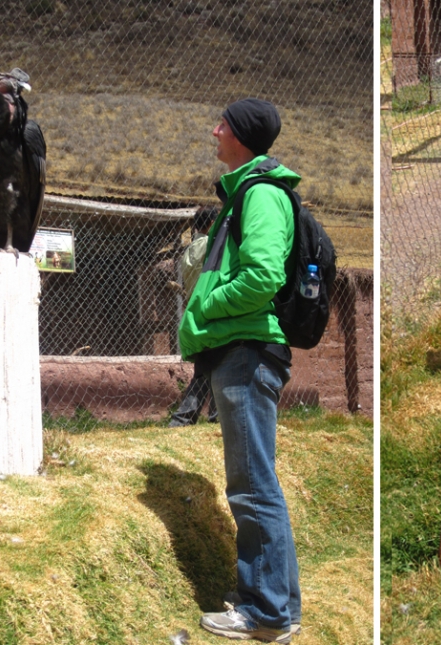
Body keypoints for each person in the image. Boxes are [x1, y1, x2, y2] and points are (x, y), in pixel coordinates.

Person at [178, 98, 300, 644]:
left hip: (246, 351)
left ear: (243, 137)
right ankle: (281, 608)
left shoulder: (261, 194)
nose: (214, 131)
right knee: (259, 483)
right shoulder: (247, 192)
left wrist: (206, 305)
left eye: (222, 125)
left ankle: (263, 613)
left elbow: (263, 276)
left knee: (251, 487)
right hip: (241, 348)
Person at [169, 206, 220, 427]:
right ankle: (214, 415)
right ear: (211, 224)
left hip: (195, 312)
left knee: (206, 367)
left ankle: (186, 418)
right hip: (211, 309)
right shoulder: (211, 245)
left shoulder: (189, 251)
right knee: (217, 363)